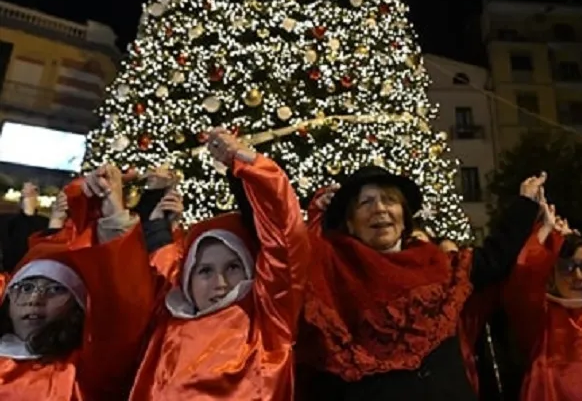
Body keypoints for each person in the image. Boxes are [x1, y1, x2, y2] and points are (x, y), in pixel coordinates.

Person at [297, 165, 543, 398]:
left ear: (404, 218)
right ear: (350, 223)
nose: (379, 208)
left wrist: (525, 203)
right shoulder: (331, 272)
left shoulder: (438, 265)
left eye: (389, 200)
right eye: (366, 202)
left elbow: (494, 257)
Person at [128, 129, 310, 401]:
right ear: (187, 280)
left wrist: (247, 165)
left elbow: (285, 237)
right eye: (205, 271)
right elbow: (158, 270)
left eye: (233, 267)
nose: (220, 283)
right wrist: (156, 227)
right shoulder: (169, 319)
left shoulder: (268, 322)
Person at [0, 164, 156, 400]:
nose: (35, 300)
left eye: (54, 289)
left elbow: (124, 308)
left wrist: (113, 217)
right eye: (26, 287)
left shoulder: (86, 369)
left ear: (78, 306)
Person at [502, 186, 582, 401]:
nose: (577, 276)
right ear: (552, 276)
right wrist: (547, 230)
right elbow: (524, 277)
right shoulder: (542, 319)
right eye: (567, 267)